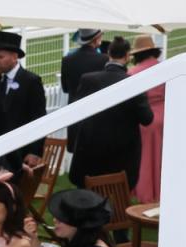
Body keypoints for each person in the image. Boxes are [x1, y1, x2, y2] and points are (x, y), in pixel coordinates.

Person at [69, 35, 153, 190]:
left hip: (91, 156)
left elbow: (75, 114)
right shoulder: (134, 83)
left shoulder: (88, 80)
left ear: (109, 54)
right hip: (122, 161)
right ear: (127, 56)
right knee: (117, 204)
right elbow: (147, 118)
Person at [0, 31, 45, 176]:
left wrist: (35, 151)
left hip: (21, 150)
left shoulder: (31, 81)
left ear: (14, 57)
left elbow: (39, 117)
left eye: (1, 56)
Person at [130, 34, 165, 203]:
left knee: (145, 159)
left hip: (144, 121)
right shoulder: (165, 68)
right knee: (163, 158)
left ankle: (146, 195)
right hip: (166, 118)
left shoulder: (132, 73)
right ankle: (163, 192)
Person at [60, 28, 103, 151]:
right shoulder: (103, 59)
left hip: (75, 112)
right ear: (96, 39)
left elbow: (65, 88)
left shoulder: (67, 60)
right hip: (96, 113)